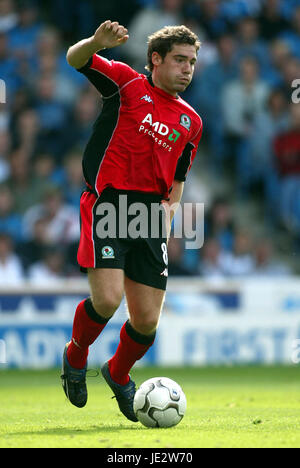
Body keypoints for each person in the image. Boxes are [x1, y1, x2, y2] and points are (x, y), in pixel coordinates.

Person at [61, 20, 202, 421]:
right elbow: (75, 59)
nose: (187, 68)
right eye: (179, 60)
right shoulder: (125, 83)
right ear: (155, 59)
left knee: (146, 321)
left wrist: (169, 218)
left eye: (191, 61)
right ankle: (75, 356)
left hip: (150, 217)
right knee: (107, 300)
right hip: (109, 204)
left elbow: (178, 181)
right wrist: (94, 43)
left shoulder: (191, 123)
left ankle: (118, 373)